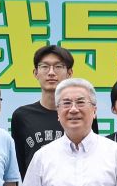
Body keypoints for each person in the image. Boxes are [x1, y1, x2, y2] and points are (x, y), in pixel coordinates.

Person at [12, 44, 73, 174]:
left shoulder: (79, 114)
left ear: (69, 73)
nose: (51, 72)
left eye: (58, 66)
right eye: (44, 66)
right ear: (35, 73)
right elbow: (19, 163)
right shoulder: (22, 116)